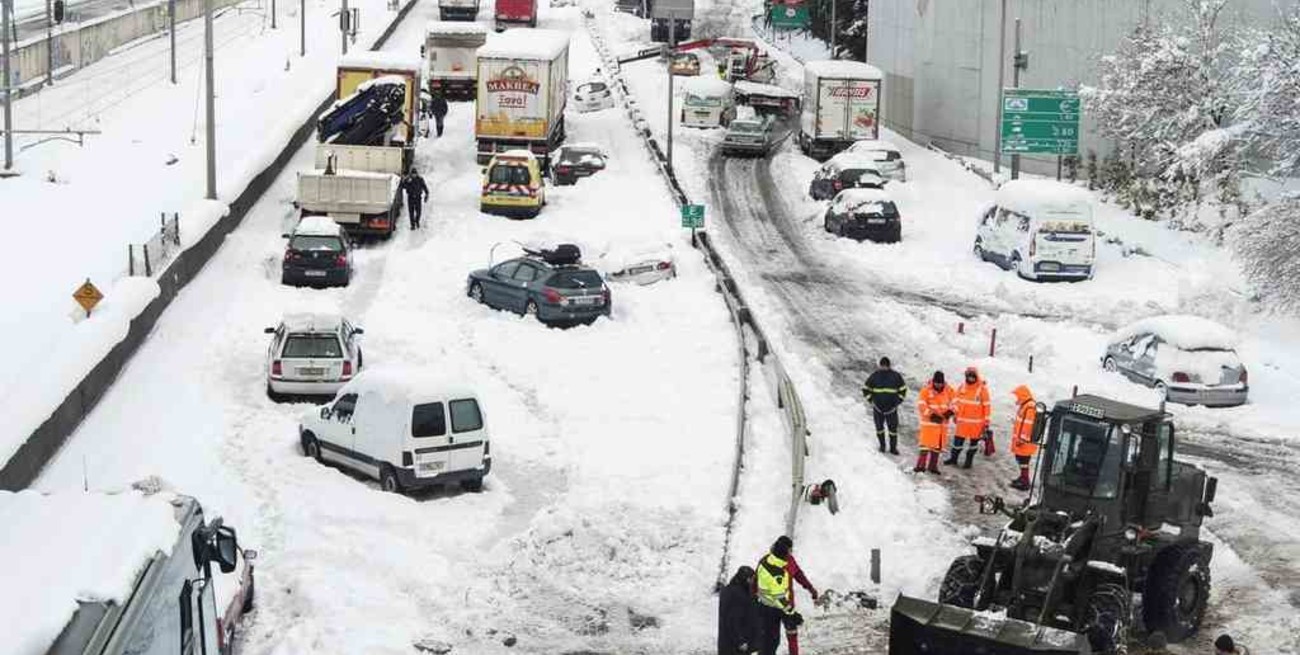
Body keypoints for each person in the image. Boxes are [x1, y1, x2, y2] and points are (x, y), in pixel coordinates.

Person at [754, 536, 818, 655]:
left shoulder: (788, 560)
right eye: (789, 550)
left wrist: (810, 588)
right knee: (770, 642)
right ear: (784, 551)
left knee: (791, 635)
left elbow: (798, 574)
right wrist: (792, 613)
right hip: (772, 609)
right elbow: (776, 595)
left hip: (786, 605)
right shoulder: (771, 568)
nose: (791, 552)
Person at [946, 366, 990, 469]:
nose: (970, 379)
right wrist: (954, 414)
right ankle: (953, 459)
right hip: (962, 423)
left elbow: (987, 406)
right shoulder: (962, 387)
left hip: (976, 424)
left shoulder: (982, 390)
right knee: (957, 443)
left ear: (976, 377)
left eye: (972, 377)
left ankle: (968, 461)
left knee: (973, 445)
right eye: (968, 377)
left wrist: (986, 423)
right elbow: (956, 402)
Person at [861, 357, 907, 455]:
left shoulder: (896, 376)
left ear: (889, 366)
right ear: (880, 366)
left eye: (885, 366)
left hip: (891, 409)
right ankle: (882, 446)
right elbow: (865, 389)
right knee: (879, 429)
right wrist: (871, 401)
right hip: (878, 409)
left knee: (893, 430)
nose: (883, 368)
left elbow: (903, 390)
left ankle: (893, 448)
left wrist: (897, 402)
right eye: (882, 366)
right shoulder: (874, 376)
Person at [915, 371, 955, 474]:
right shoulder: (925, 391)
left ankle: (933, 466)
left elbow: (956, 402)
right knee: (925, 446)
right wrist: (931, 415)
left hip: (942, 425)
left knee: (937, 447)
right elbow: (921, 405)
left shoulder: (949, 390)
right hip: (929, 424)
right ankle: (920, 466)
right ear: (933, 381)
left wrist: (950, 412)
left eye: (940, 383)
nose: (938, 385)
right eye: (936, 383)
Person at [718, 566, 759, 655]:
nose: (752, 582)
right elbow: (733, 620)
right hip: (736, 645)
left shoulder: (730, 590)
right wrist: (740, 641)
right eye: (750, 579)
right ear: (745, 578)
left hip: (729, 643)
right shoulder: (738, 595)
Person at [1009, 384, 1038, 491]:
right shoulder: (1026, 405)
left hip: (1025, 442)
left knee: (1024, 461)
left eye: (1017, 396)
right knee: (1021, 460)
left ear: (1023, 395)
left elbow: (1028, 425)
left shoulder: (1029, 407)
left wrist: (1022, 439)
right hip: (1024, 441)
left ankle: (1025, 481)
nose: (1016, 398)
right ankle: (1022, 478)